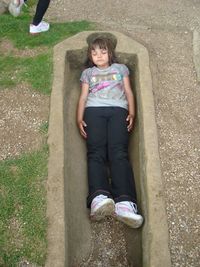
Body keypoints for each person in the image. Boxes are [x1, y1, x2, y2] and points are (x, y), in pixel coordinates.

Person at [76, 37, 143, 228]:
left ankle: (125, 204)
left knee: (119, 152)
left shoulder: (121, 69)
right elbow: (83, 97)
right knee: (96, 152)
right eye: (94, 52)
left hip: (118, 110)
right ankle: (99, 197)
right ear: (90, 55)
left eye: (103, 51)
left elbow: (129, 92)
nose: (99, 56)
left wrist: (132, 112)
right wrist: (79, 118)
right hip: (93, 111)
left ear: (110, 53)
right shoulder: (88, 73)